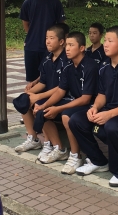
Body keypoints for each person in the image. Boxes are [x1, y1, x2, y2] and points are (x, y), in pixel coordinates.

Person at [69, 26, 118, 187]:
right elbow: (102, 94)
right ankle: (98, 160)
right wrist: (95, 107)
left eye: (110, 41)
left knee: (112, 127)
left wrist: (109, 114)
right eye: (105, 40)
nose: (106, 44)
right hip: (107, 108)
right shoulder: (104, 66)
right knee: (76, 120)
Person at [34, 32, 99, 173]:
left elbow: (86, 99)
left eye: (71, 45)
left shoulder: (90, 66)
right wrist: (44, 105)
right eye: (67, 45)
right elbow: (60, 91)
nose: (67, 49)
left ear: (82, 48)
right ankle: (59, 148)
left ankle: (75, 156)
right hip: (74, 101)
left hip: (91, 105)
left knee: (66, 116)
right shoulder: (68, 66)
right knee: (43, 111)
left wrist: (58, 109)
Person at [13, 25, 67, 160]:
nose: (47, 41)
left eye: (51, 38)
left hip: (63, 96)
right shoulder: (48, 57)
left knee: (41, 109)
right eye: (46, 38)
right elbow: (43, 82)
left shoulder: (67, 59)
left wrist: (38, 96)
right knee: (24, 99)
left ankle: (56, 147)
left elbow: (61, 87)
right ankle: (33, 139)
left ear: (61, 41)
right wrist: (29, 93)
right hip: (48, 94)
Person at [20, 0, 65, 82]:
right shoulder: (27, 3)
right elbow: (25, 23)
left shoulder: (55, 3)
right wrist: (33, 36)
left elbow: (61, 25)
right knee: (32, 79)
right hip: (32, 46)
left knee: (50, 78)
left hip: (50, 46)